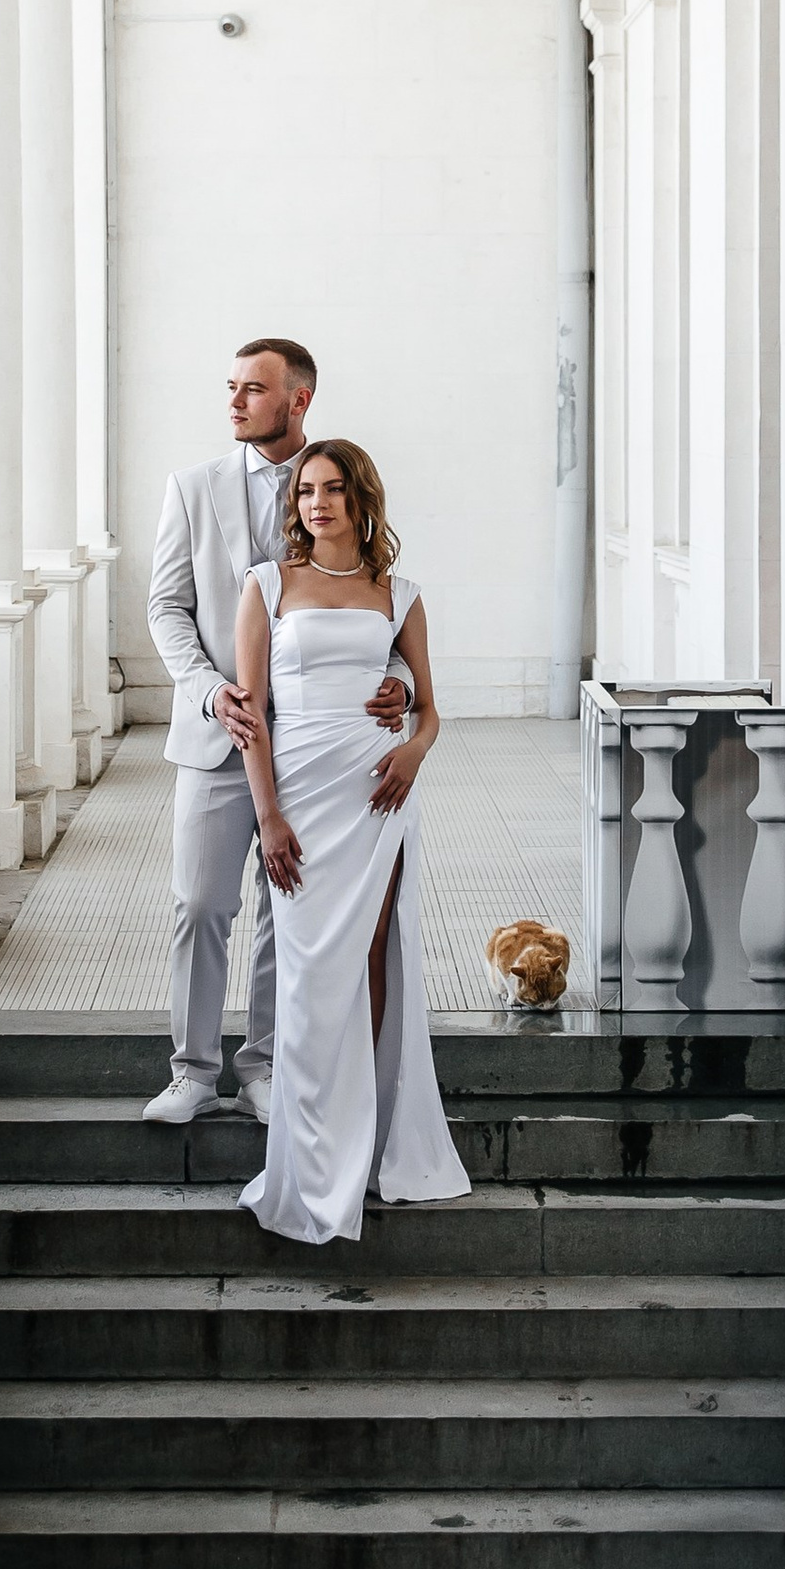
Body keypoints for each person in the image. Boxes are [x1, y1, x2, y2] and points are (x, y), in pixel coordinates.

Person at [141, 336, 405, 1126]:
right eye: (231, 386)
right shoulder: (193, 487)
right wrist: (208, 691)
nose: (234, 400)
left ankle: (262, 1064)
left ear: (298, 399)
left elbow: (381, 604)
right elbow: (167, 608)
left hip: (318, 749)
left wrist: (401, 679)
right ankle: (192, 1071)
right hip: (221, 738)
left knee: (285, 908)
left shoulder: (336, 482)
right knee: (200, 904)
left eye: (252, 388)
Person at [231, 440, 470, 1244]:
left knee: (370, 959)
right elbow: (251, 715)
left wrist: (412, 749)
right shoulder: (266, 586)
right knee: (307, 977)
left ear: (361, 498)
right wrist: (268, 815)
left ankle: (358, 1141)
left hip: (376, 794)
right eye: (306, 490)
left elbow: (430, 709)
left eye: (333, 489)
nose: (317, 503)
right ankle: (307, 1160)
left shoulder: (398, 595)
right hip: (299, 796)